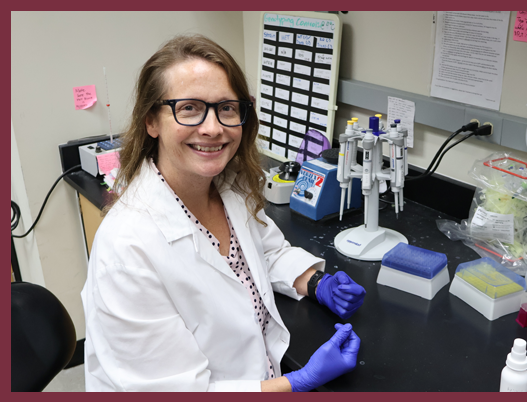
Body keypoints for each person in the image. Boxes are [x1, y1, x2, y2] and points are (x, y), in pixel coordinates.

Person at [81, 34, 366, 392]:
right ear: (152, 121)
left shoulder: (228, 186)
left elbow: (262, 252)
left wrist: (314, 282)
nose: (213, 128)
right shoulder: (126, 249)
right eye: (189, 108)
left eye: (227, 108)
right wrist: (299, 382)